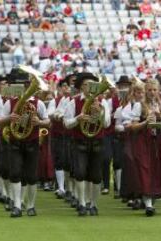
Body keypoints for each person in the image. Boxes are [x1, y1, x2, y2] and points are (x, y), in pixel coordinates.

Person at [0, 67, 50, 218]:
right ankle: (17, 205)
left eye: (26, 84)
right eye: (21, 84)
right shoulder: (10, 103)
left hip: (32, 142)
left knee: (32, 176)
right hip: (15, 142)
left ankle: (31, 205)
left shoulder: (38, 103)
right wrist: (8, 119)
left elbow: (48, 121)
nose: (24, 86)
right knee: (15, 173)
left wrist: (39, 121)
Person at [124, 79, 161, 217]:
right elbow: (133, 127)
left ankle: (153, 196)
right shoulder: (138, 106)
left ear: (158, 91)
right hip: (144, 141)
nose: (152, 93)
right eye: (149, 90)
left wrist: (160, 117)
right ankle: (148, 203)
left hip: (160, 142)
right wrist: (145, 123)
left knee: (159, 170)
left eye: (154, 90)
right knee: (144, 169)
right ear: (145, 91)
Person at [63, 73, 111, 216]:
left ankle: (93, 203)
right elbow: (66, 123)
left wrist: (100, 113)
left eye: (92, 85)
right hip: (80, 141)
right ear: (80, 87)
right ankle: (82, 202)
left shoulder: (103, 102)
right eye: (85, 85)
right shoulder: (73, 102)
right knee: (80, 173)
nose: (89, 88)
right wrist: (78, 118)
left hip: (97, 141)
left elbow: (107, 123)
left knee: (96, 176)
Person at [47, 77, 71, 199]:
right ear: (59, 88)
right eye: (64, 86)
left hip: (70, 134)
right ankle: (61, 187)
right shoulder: (54, 101)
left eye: (68, 86)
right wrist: (58, 114)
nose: (66, 89)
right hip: (58, 134)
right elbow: (50, 114)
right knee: (59, 160)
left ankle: (68, 188)